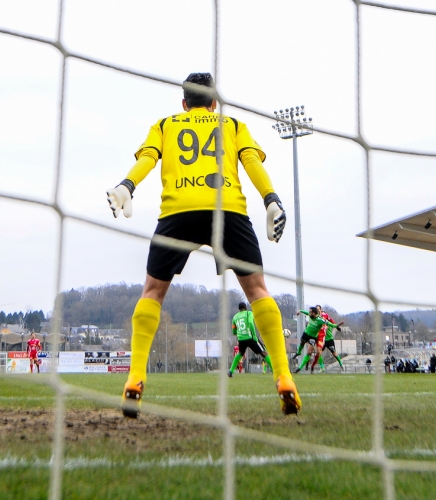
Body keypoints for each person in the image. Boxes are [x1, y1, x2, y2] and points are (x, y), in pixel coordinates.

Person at [106, 72, 297, 417]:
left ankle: (135, 377)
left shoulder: (165, 125)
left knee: (151, 292)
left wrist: (126, 186)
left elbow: (147, 159)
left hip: (178, 211)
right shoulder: (234, 124)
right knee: (256, 290)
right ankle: (284, 377)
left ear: (184, 103)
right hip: (229, 212)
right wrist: (271, 200)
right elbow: (252, 163)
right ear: (214, 102)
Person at [294, 307, 343, 373]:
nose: (319, 311)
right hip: (314, 336)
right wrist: (300, 311)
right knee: (309, 352)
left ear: (320, 310)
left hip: (322, 338)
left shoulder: (323, 317)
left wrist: (337, 326)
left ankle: (339, 364)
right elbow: (307, 313)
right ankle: (308, 366)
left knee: (323, 353)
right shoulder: (312, 315)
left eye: (319, 310)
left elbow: (330, 321)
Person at [229, 302, 272, 377]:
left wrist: (239, 333)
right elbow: (251, 323)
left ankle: (230, 371)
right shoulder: (249, 313)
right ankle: (275, 371)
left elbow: (233, 331)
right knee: (264, 353)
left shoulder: (235, 317)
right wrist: (254, 335)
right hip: (250, 337)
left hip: (241, 339)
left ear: (239, 309)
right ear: (245, 307)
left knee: (240, 353)